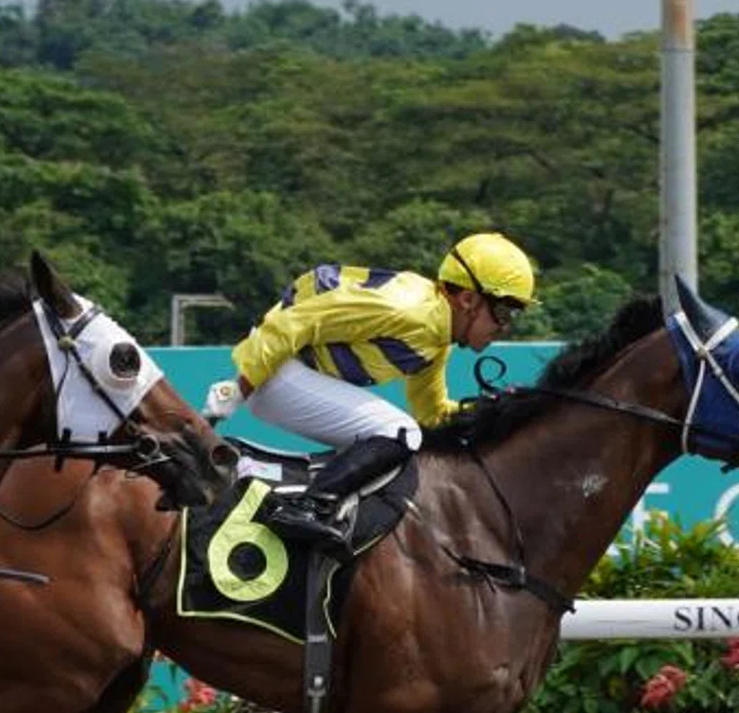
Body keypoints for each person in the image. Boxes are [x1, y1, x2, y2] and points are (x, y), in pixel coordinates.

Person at [203, 231, 537, 554]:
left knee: (401, 436)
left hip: (287, 370)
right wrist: (239, 388)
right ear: (468, 299)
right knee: (398, 431)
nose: (504, 326)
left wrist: (493, 413)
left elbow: (430, 414)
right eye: (504, 312)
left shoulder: (436, 338)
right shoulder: (408, 310)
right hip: (274, 367)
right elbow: (296, 323)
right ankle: (308, 508)